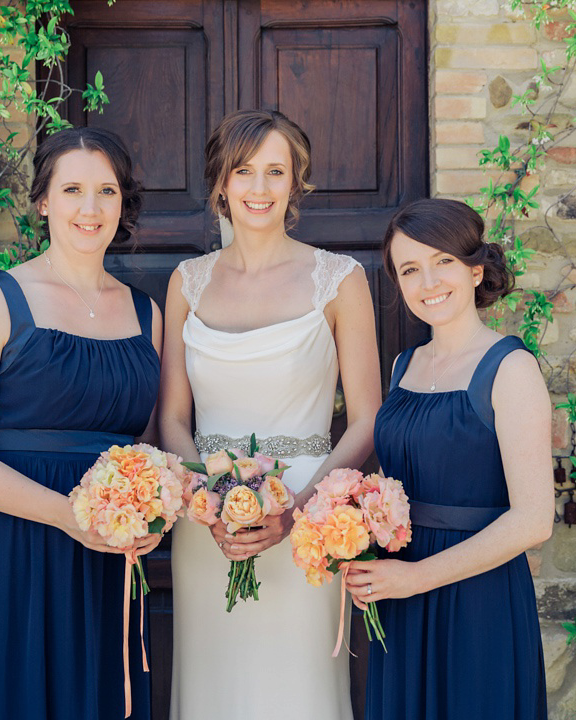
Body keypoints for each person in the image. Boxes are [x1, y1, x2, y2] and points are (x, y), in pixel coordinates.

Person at [0, 127, 161, 720]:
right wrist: (66, 515)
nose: (90, 208)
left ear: (122, 202)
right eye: (73, 189)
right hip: (11, 544)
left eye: (106, 190)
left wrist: (155, 514)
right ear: (43, 201)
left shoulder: (146, 313)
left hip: (109, 553)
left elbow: (149, 445)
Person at [159, 109, 381, 720]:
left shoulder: (339, 280)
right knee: (214, 689)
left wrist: (295, 515)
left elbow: (365, 420)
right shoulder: (187, 282)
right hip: (209, 525)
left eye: (275, 171)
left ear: (296, 182)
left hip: (307, 521)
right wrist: (207, 497)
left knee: (297, 691)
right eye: (243, 171)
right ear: (220, 184)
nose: (259, 189)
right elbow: (173, 418)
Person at [345, 198, 553, 719]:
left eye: (443, 262)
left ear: (475, 269)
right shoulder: (403, 365)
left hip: (478, 597)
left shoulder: (511, 367)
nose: (428, 282)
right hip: (400, 594)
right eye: (410, 269)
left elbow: (534, 521)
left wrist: (416, 578)